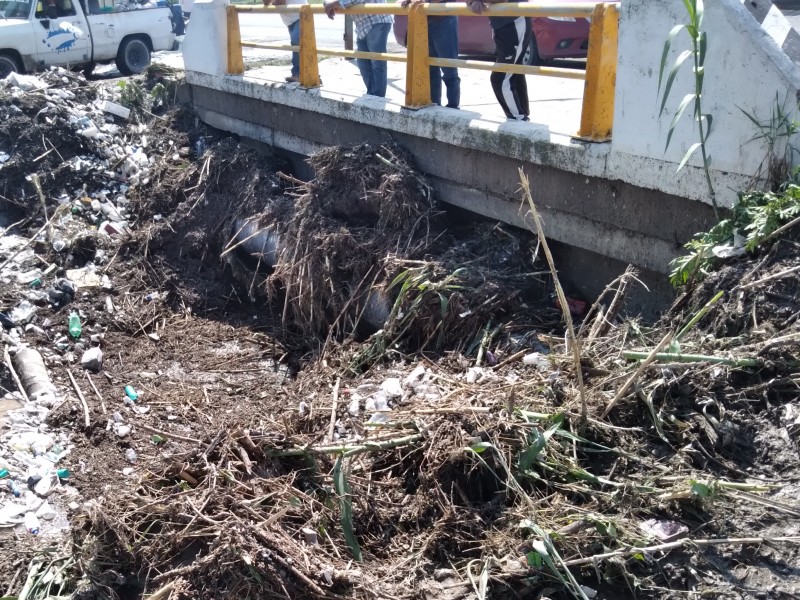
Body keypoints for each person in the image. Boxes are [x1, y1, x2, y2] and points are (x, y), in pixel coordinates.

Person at [469, 0, 530, 121]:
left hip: (514, 23)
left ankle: (518, 118)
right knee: (513, 72)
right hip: (502, 25)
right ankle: (521, 115)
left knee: (501, 78)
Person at [324, 0, 392, 97]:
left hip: (377, 20)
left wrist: (332, 5)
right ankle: (372, 93)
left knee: (377, 62)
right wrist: (328, 4)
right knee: (363, 62)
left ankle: (377, 96)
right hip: (363, 25)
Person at [401, 0, 459, 109]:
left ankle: (453, 106)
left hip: (444, 18)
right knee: (430, 69)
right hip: (425, 18)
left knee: (449, 69)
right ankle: (434, 104)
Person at [263, 0, 308, 82]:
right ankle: (305, 73)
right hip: (291, 20)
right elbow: (266, 2)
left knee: (296, 44)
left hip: (300, 16)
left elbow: (280, 1)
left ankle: (297, 73)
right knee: (299, 46)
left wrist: (273, 2)